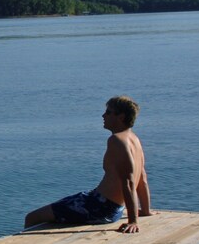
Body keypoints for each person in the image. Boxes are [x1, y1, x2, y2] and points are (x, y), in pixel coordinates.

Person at [24, 95, 152, 233]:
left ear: (121, 117)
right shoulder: (134, 139)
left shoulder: (117, 140)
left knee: (32, 218)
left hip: (100, 207)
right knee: (62, 206)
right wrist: (145, 210)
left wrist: (133, 221)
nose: (103, 115)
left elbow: (128, 181)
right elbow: (142, 177)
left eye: (108, 112)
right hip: (110, 207)